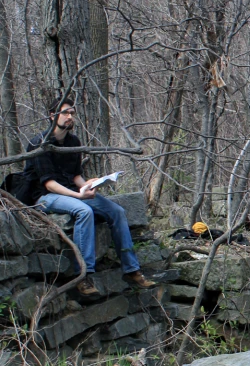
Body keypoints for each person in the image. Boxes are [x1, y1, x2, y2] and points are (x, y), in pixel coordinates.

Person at [24, 97, 155, 296]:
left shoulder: (73, 142)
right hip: (44, 196)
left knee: (117, 211)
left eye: (72, 113)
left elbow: (75, 175)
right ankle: (83, 276)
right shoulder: (38, 144)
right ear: (52, 116)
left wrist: (89, 185)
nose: (70, 117)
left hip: (71, 191)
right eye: (65, 112)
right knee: (84, 211)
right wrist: (78, 195)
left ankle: (132, 270)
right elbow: (48, 183)